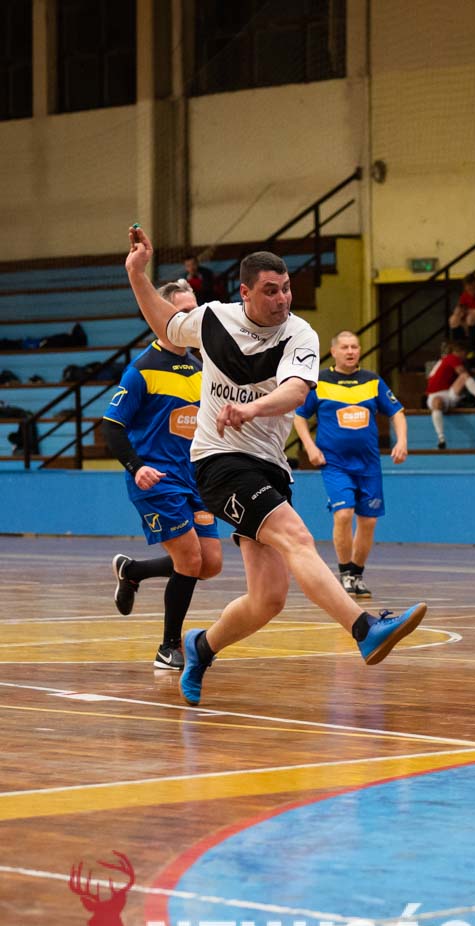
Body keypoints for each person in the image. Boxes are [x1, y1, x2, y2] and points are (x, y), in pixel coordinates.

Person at [123, 226, 426, 706]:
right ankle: (365, 628)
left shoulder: (298, 333)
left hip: (270, 466)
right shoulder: (214, 319)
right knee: (296, 536)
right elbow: (167, 325)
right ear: (245, 293)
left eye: (285, 288)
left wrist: (251, 409)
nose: (282, 298)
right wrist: (137, 274)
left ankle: (201, 648)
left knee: (268, 599)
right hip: (219, 461)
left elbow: (296, 392)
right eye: (270, 290)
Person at [105, 279, 223, 670]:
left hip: (196, 480)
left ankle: (133, 571)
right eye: (182, 312)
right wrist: (137, 467)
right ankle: (168, 647)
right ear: (161, 316)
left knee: (210, 563)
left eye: (195, 311)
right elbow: (112, 426)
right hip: (157, 480)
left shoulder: (201, 369)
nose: (191, 318)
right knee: (189, 558)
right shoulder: (142, 370)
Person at [292, 331, 408, 598]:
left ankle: (357, 574)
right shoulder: (320, 381)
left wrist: (401, 441)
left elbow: (397, 412)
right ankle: (344, 572)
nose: (350, 351)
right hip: (335, 464)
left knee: (368, 522)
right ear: (334, 351)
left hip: (368, 465)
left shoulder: (372, 381)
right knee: (344, 514)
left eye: (354, 347)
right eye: (344, 347)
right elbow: (299, 417)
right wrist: (310, 447)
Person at [425, 339, 475, 448]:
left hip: (449, 393)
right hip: (436, 395)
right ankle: (441, 437)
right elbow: (461, 371)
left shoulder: (446, 359)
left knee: (464, 377)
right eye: (464, 353)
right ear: (458, 351)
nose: (465, 356)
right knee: (437, 402)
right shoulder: (452, 358)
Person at [448, 273, 475, 344]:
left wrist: (467, 310)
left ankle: (472, 346)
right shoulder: (465, 294)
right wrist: (458, 313)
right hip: (469, 318)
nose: (471, 292)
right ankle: (458, 345)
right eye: (469, 289)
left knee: (470, 318)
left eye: (474, 288)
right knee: (453, 319)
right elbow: (459, 308)